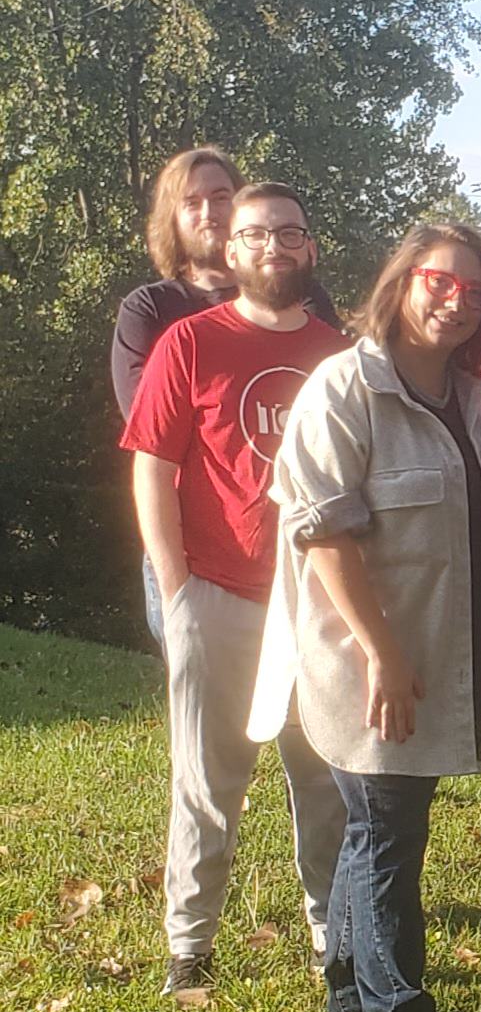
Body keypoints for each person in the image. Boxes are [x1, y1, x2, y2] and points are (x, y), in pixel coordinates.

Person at [250, 224, 481, 1012]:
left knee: (381, 824)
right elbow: (322, 535)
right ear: (402, 282)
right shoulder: (344, 389)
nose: (456, 299)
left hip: (449, 659)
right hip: (365, 662)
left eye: (474, 290)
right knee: (386, 829)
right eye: (440, 281)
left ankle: (347, 990)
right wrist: (381, 653)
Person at [121, 182, 351, 998]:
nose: (271, 249)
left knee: (324, 782)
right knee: (209, 782)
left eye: (288, 234)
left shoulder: (342, 355)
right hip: (217, 593)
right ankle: (191, 950)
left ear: (310, 249)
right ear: (231, 250)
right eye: (254, 235)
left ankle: (338, 943)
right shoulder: (189, 342)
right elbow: (153, 469)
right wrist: (178, 590)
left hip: (315, 605)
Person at [113, 147, 337, 641]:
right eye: (191, 202)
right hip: (198, 552)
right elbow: (152, 440)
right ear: (172, 217)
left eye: (221, 196)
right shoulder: (151, 310)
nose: (209, 211)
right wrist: (178, 592)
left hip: (304, 546)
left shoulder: (306, 299)